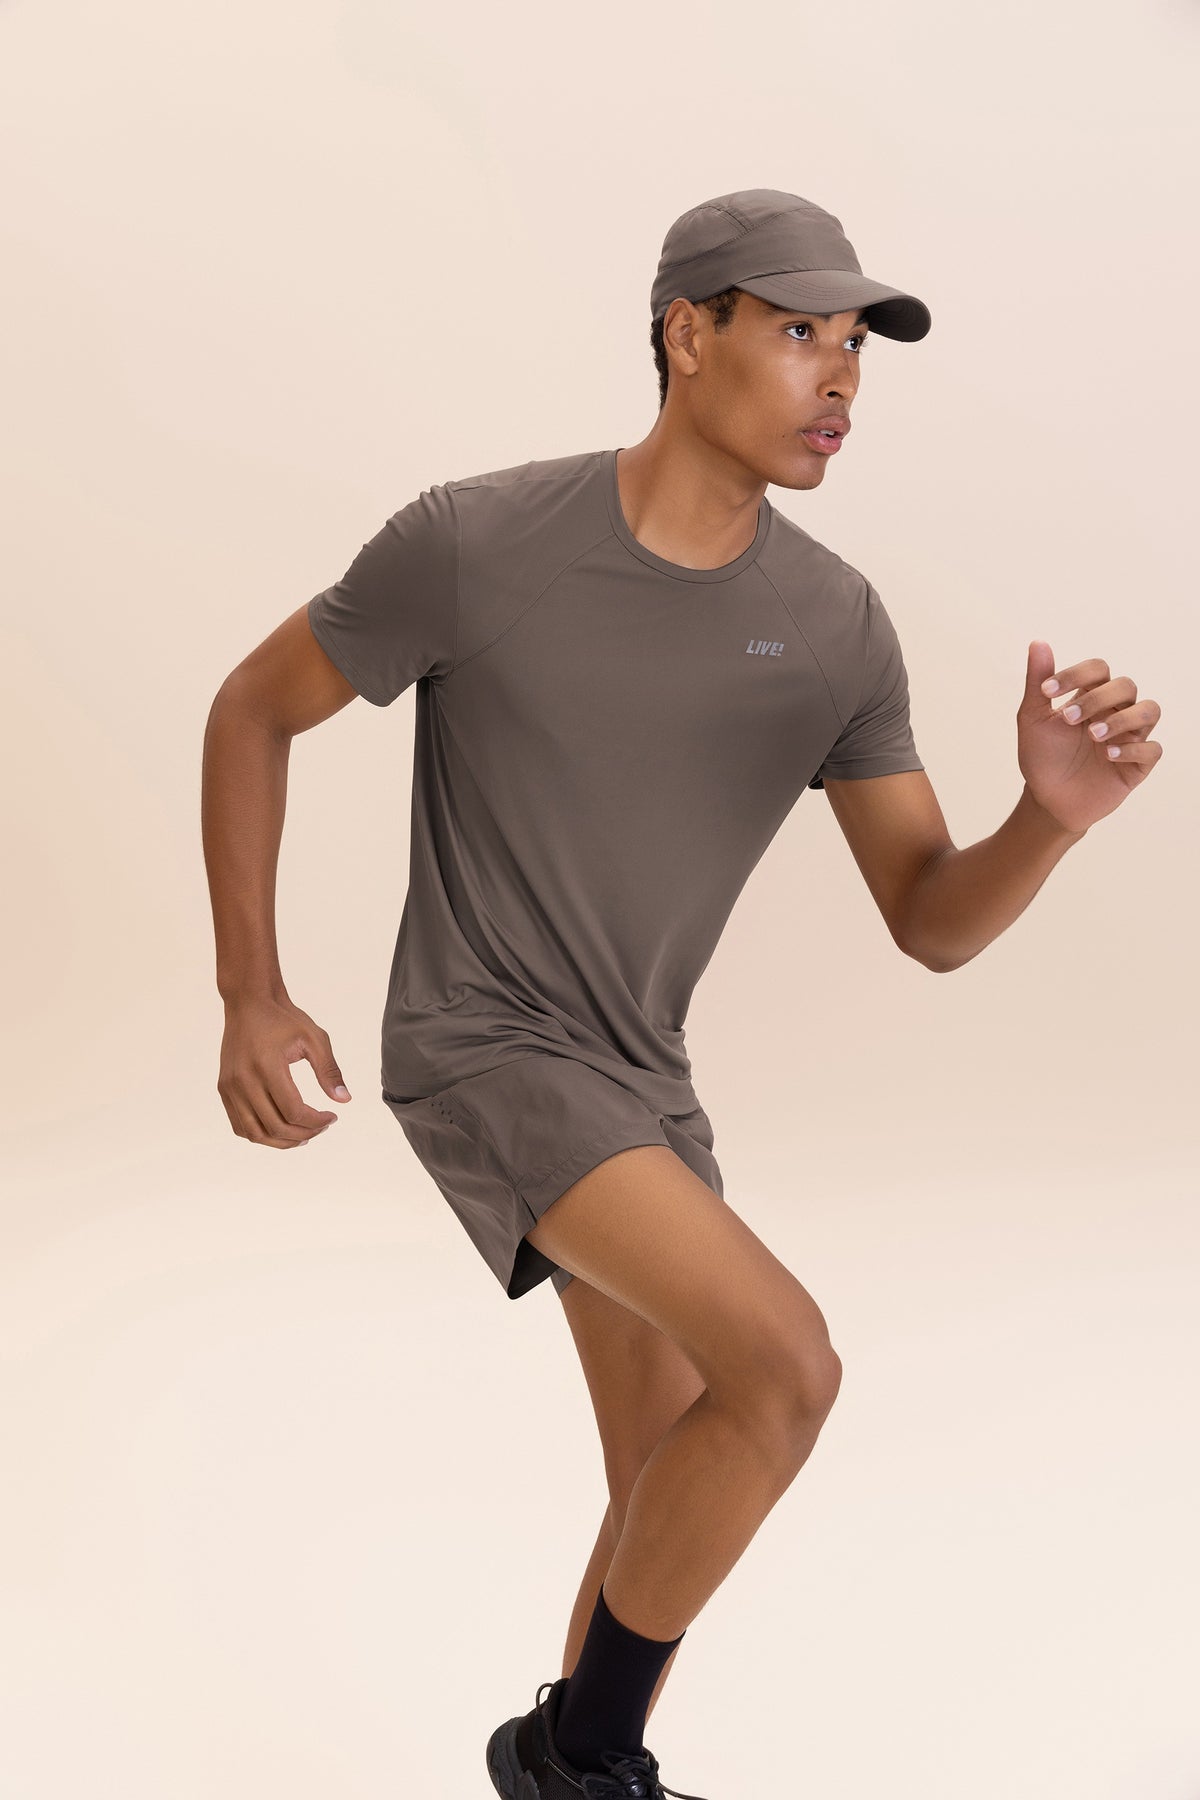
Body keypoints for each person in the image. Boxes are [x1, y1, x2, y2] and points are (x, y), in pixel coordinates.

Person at [201, 188, 1162, 1798]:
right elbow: (252, 707)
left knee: (671, 1463)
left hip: (641, 1081)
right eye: (798, 332)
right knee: (786, 1366)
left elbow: (929, 920)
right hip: (481, 1044)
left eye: (856, 346)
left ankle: (579, 1771)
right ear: (687, 333)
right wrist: (252, 988)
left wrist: (1046, 823)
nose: (838, 376)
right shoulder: (478, 543)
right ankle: (574, 1753)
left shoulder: (834, 624)